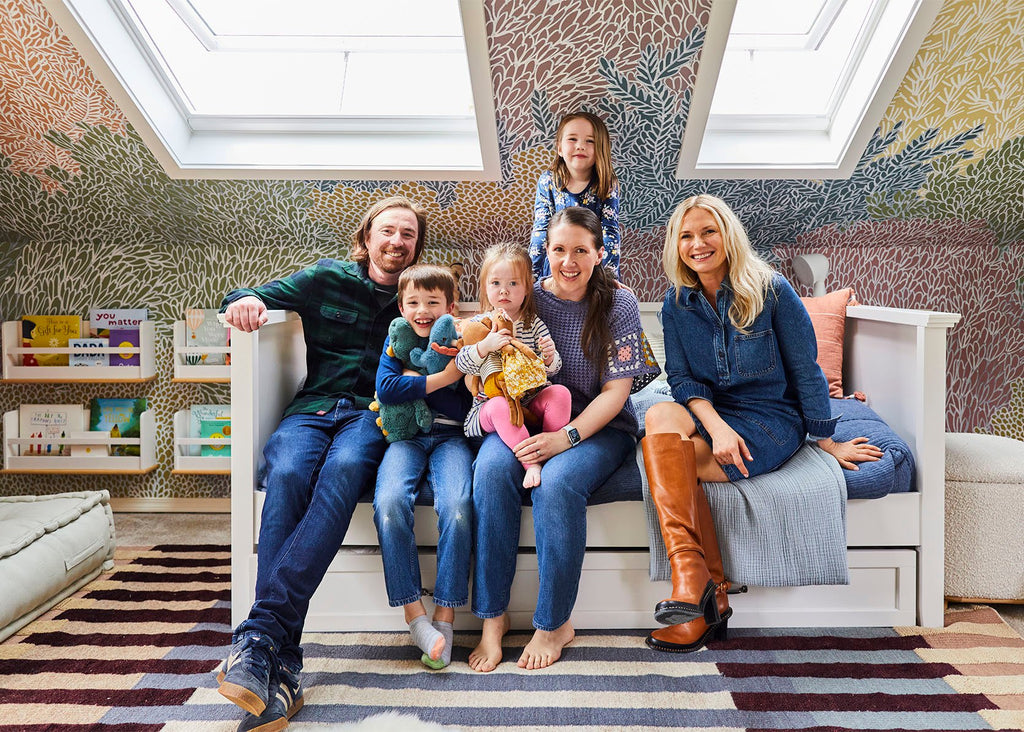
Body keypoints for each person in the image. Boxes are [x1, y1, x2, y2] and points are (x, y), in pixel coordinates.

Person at [216, 196, 427, 731]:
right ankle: (281, 660)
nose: (397, 242)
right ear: (367, 237)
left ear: (416, 246)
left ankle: (260, 640)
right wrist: (244, 302)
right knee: (286, 473)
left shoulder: (418, 298)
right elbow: (246, 295)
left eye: (408, 234)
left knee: (342, 473)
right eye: (388, 231)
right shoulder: (325, 278)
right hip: (311, 410)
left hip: (368, 417)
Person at [642, 193, 883, 653]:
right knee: (658, 415)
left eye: (708, 232)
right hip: (714, 411)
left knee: (679, 461)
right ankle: (697, 583)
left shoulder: (771, 289)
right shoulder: (676, 302)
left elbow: (806, 369)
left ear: (728, 235)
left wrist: (825, 439)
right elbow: (682, 379)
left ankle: (703, 591)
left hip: (770, 417)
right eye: (686, 236)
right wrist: (716, 426)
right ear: (676, 245)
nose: (698, 244)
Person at [469, 207, 660, 673]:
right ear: (545, 252)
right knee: (490, 471)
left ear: (599, 253)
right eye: (558, 250)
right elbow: (480, 344)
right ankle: (492, 619)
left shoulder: (619, 303)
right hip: (528, 414)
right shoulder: (527, 295)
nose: (568, 261)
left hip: (599, 427)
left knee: (555, 484)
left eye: (580, 250)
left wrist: (564, 438)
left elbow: (616, 394)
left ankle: (554, 623)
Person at [372, 264, 473, 670]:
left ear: (450, 307)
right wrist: (442, 378)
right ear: (401, 307)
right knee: (390, 502)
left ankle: (445, 618)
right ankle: (415, 618)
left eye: (433, 302)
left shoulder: (460, 340)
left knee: (459, 507)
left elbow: (465, 403)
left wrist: (419, 378)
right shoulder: (396, 339)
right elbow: (386, 389)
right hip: (406, 439)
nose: (422, 311)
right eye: (413, 302)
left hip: (451, 438)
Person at [455, 242, 571, 488]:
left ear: (527, 288)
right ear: (485, 288)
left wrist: (550, 358)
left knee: (560, 393)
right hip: (491, 405)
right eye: (496, 283)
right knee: (500, 406)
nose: (504, 291)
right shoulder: (479, 325)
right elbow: (462, 364)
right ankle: (532, 463)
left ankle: (550, 450)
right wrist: (484, 346)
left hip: (529, 400)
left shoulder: (533, 324)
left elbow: (550, 371)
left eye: (513, 284)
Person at [529, 112, 621, 281]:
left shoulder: (606, 183)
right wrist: (532, 275)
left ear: (600, 148)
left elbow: (609, 232)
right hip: (557, 265)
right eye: (572, 139)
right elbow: (541, 230)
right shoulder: (548, 181)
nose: (580, 146)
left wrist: (610, 277)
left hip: (590, 266)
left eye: (590, 141)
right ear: (560, 148)